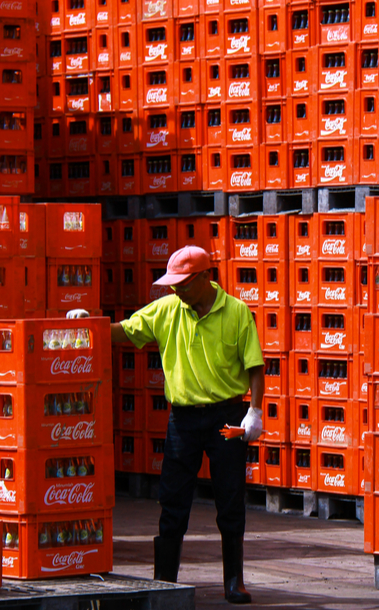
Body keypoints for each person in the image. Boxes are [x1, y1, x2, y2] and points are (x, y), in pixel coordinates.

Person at [68, 245, 263, 604]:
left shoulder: (236, 312)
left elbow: (255, 365)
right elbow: (125, 331)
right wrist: (91, 324)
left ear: (206, 277)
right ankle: (164, 580)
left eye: (183, 284)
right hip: (183, 418)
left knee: (230, 497)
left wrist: (255, 411)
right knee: (173, 499)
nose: (177, 290)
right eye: (173, 284)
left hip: (227, 415)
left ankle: (234, 581)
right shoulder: (167, 309)